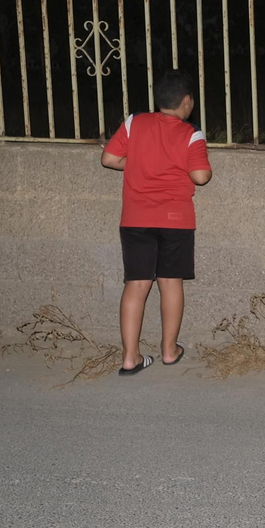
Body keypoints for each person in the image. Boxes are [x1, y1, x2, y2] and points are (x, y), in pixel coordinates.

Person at [100, 69, 213, 375]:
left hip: (136, 217)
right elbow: (201, 177)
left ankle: (130, 357)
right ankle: (168, 351)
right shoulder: (191, 133)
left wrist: (139, 165)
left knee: (136, 284)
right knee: (170, 282)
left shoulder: (135, 122)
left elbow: (108, 159)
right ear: (187, 101)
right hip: (175, 220)